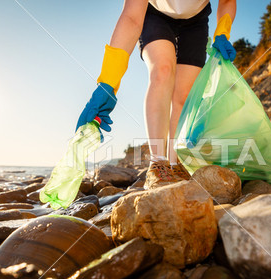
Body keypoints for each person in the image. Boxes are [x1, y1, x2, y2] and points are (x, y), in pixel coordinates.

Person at [76, 0, 237, 189]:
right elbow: (131, 18)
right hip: (155, 15)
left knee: (184, 96)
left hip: (196, 21)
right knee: (163, 70)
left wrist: (223, 32)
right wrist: (108, 83)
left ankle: (175, 163)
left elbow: (227, 1)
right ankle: (158, 163)